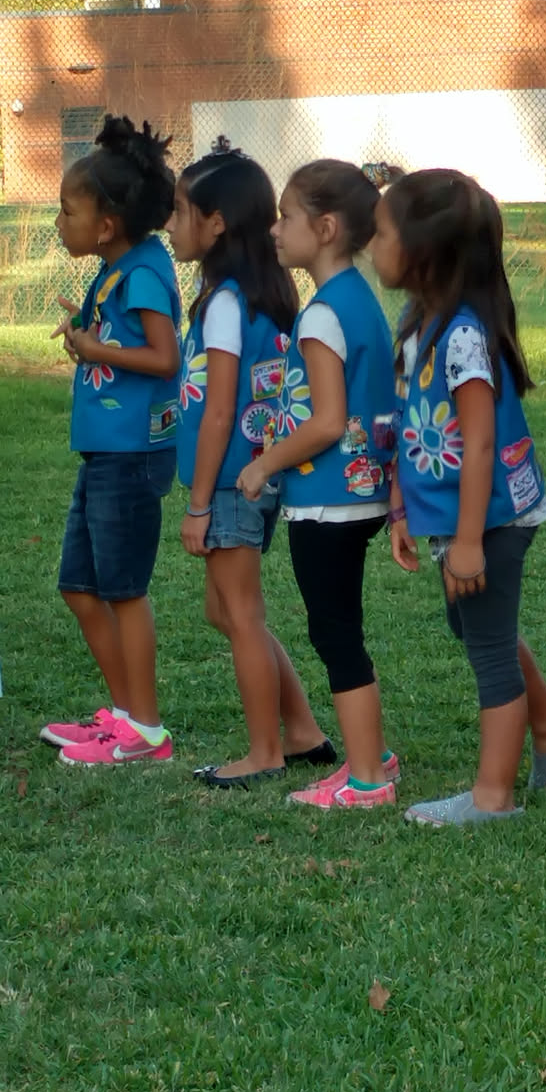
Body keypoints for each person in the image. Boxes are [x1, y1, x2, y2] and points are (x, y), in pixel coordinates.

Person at [373, 168, 546, 826]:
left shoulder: (463, 334)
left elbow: (480, 442)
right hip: (461, 517)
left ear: (425, 250)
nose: (372, 245)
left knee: (489, 645)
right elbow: (409, 419)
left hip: (493, 517)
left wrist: (468, 542)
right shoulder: (419, 323)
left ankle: (493, 797)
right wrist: (401, 507)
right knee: (470, 624)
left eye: (382, 233)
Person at [235, 159, 404, 809]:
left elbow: (327, 420)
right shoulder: (359, 299)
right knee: (342, 631)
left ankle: (366, 779)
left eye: (286, 217)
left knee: (335, 636)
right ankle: (371, 756)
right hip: (361, 492)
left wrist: (264, 463)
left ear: (326, 228)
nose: (275, 230)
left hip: (328, 502)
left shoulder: (321, 315)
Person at [171, 148, 335, 788]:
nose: (171, 224)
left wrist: (198, 505)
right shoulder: (263, 296)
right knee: (226, 612)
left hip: (231, 480)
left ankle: (265, 751)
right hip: (253, 475)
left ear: (215, 223)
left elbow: (218, 413)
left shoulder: (224, 303)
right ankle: (302, 732)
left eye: (180, 211)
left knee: (241, 615)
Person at [38, 116, 184, 767]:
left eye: (67, 211)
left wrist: (98, 350)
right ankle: (125, 717)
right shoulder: (116, 268)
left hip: (131, 454)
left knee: (123, 591)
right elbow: (122, 343)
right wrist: (86, 332)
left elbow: (164, 357)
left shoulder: (145, 273)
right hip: (104, 450)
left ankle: (146, 730)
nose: (58, 222)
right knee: (79, 586)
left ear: (105, 226)